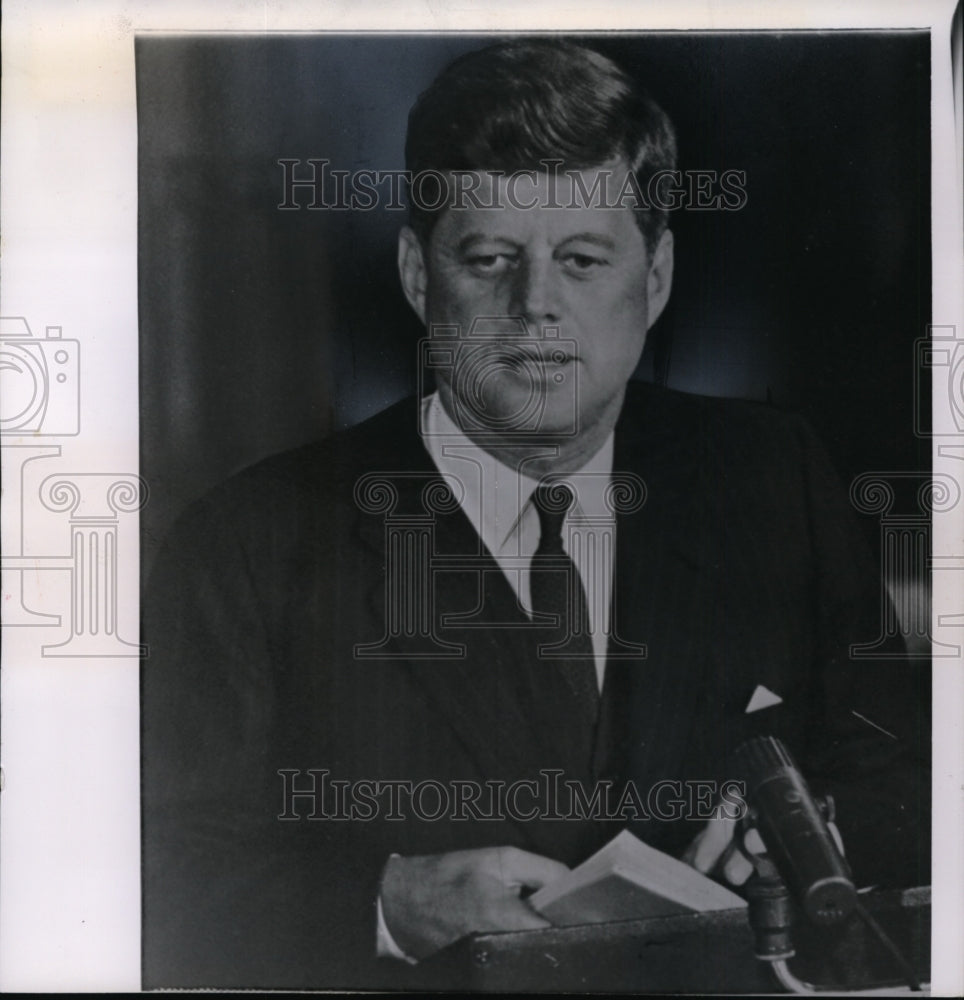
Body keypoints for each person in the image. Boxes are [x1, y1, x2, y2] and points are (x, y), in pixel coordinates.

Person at [141, 40, 930, 990]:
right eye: (490, 259)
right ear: (419, 276)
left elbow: (911, 777)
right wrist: (383, 906)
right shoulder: (244, 544)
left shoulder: (772, 478)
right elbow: (155, 880)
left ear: (659, 277)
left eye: (584, 260)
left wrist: (811, 830)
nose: (536, 307)